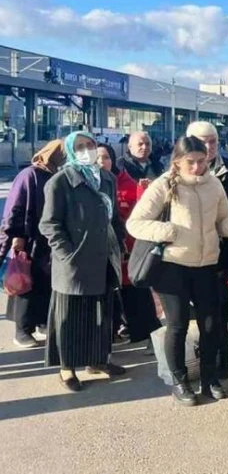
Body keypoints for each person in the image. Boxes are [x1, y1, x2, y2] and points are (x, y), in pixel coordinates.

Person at [127, 136, 228, 406]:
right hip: (172, 267)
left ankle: (209, 378)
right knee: (178, 324)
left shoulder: (214, 184)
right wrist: (166, 231)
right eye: (190, 162)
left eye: (201, 161)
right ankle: (180, 381)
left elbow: (222, 220)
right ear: (178, 162)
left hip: (207, 265)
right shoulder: (163, 185)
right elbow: (135, 223)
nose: (197, 167)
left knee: (211, 325)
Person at [40, 131, 129, 391]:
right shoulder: (60, 182)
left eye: (90, 145)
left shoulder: (107, 179)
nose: (86, 150)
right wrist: (67, 253)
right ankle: (67, 368)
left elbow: (114, 218)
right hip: (74, 262)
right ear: (70, 150)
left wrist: (120, 241)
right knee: (70, 316)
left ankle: (97, 360)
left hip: (104, 256)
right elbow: (49, 224)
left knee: (101, 313)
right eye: (79, 146)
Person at [185, 121, 228, 379]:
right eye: (203, 141)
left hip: (225, 256)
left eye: (213, 141)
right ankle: (202, 364)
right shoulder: (175, 175)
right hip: (190, 258)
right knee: (200, 313)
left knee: (226, 311)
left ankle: (226, 362)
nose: (209, 147)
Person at [1, 140, 65, 348]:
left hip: (50, 241)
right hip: (31, 239)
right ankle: (22, 330)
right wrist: (16, 234)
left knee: (46, 284)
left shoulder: (56, 174)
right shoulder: (30, 175)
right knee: (26, 283)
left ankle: (42, 323)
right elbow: (15, 207)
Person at [98, 144, 160, 345]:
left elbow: (141, 211)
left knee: (134, 289)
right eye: (97, 157)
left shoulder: (125, 182)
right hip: (98, 252)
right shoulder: (87, 184)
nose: (101, 162)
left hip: (126, 248)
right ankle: (112, 332)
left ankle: (144, 332)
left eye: (106, 157)